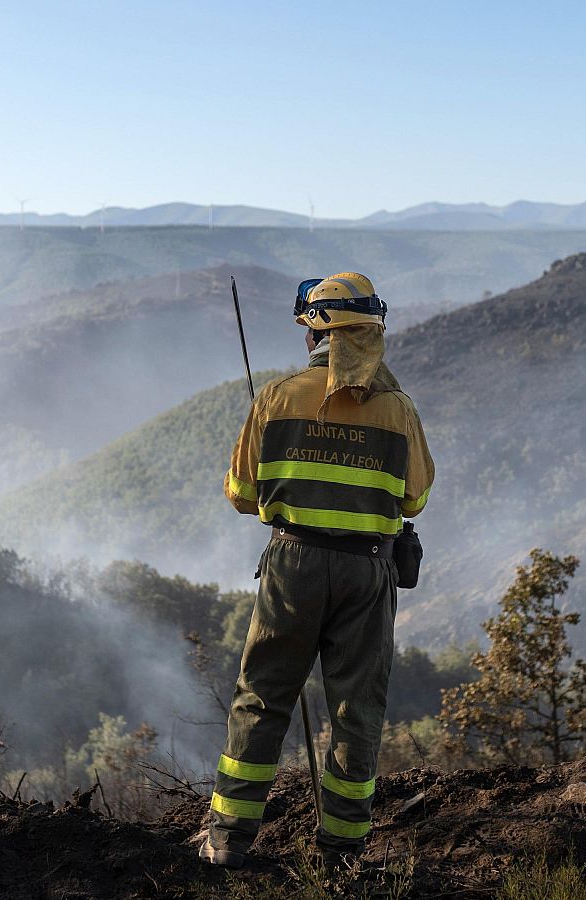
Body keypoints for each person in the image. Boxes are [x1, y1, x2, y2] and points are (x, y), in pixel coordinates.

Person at [199, 272, 434, 869]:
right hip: (367, 571)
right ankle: (341, 853)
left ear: (315, 336)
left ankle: (227, 839)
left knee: (262, 699)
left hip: (293, 565)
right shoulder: (397, 409)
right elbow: (413, 500)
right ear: (371, 334)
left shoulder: (277, 398)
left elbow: (240, 493)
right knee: (357, 711)